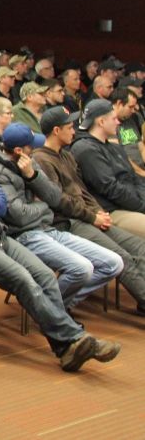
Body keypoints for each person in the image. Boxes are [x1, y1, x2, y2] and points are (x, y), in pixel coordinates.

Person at [0, 118, 120, 372]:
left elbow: (0, 203)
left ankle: (67, 345)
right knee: (24, 280)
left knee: (45, 277)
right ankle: (73, 340)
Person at [0, 123, 123, 310]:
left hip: (49, 228)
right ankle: (53, 315)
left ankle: (53, 309)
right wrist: (43, 204)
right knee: (81, 269)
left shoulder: (29, 162)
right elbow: (20, 216)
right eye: (31, 146)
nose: (35, 149)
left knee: (113, 263)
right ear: (18, 150)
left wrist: (32, 176)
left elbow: (55, 197)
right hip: (24, 235)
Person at [34, 106, 145, 316]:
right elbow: (59, 201)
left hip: (88, 216)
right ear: (56, 131)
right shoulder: (41, 159)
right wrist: (92, 216)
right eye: (69, 127)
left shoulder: (66, 156)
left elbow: (82, 191)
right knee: (121, 256)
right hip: (67, 222)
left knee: (139, 246)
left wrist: (98, 211)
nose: (74, 131)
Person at [71, 99, 145, 238]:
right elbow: (110, 188)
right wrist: (142, 206)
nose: (118, 122)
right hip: (112, 210)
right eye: (114, 118)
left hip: (134, 202)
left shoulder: (114, 146)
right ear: (101, 122)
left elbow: (135, 179)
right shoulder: (85, 149)